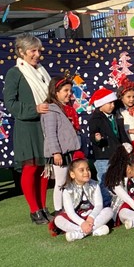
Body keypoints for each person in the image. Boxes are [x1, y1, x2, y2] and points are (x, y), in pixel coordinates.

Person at [3, 33, 52, 224]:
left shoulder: (42, 71)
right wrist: (35, 109)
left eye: (39, 50)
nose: (37, 54)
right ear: (22, 52)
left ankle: (43, 207)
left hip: (44, 125)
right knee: (31, 168)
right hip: (27, 127)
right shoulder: (14, 73)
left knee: (44, 168)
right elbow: (10, 103)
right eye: (33, 50)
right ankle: (34, 210)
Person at [41, 77, 81, 215]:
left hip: (68, 150)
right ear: (56, 92)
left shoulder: (66, 109)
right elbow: (50, 133)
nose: (69, 93)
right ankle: (59, 209)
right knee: (61, 182)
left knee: (69, 181)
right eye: (65, 90)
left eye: (70, 90)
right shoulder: (51, 110)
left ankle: (70, 206)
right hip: (60, 152)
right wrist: (56, 152)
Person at [52, 152, 113, 242]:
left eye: (88, 169)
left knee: (109, 211)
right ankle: (92, 231)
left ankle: (79, 234)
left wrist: (91, 217)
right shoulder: (67, 190)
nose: (86, 172)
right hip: (76, 218)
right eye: (82, 170)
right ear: (72, 174)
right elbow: (70, 213)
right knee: (58, 220)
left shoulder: (94, 185)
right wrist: (82, 223)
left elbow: (99, 205)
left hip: (92, 216)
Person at [88, 87, 130, 206]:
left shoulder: (116, 117)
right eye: (109, 103)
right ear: (101, 104)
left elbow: (121, 134)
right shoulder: (96, 119)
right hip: (103, 155)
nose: (112, 105)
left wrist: (126, 145)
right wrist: (97, 138)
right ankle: (105, 203)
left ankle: (119, 202)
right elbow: (92, 134)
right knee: (104, 180)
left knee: (117, 178)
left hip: (116, 153)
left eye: (113, 102)